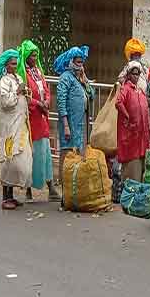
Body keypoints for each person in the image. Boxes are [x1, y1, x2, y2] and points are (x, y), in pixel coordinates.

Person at [17, 40, 59, 203]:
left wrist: (47, 101)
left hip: (42, 119)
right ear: (26, 57)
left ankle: (51, 187)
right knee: (32, 154)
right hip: (31, 120)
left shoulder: (38, 72)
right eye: (32, 55)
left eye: (36, 55)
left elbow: (46, 90)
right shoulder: (23, 74)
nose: (35, 58)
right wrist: (38, 104)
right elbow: (25, 97)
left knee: (45, 153)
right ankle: (28, 189)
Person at [0, 49, 32, 210]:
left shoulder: (18, 78)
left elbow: (23, 98)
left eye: (16, 63)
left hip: (21, 124)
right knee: (9, 158)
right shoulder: (4, 81)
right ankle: (5, 196)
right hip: (10, 126)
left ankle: (12, 194)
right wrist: (17, 92)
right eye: (12, 63)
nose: (15, 66)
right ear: (6, 65)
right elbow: (6, 102)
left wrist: (25, 93)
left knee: (20, 158)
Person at [54, 46, 93, 202]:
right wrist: (66, 125)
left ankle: (76, 192)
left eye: (82, 62)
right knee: (67, 157)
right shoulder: (65, 78)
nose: (80, 65)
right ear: (70, 62)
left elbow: (91, 95)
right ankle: (65, 193)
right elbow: (61, 102)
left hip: (81, 123)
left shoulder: (80, 78)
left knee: (79, 156)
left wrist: (86, 82)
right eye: (77, 62)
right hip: (69, 123)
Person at [115, 62, 150, 182]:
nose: (136, 76)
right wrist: (127, 116)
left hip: (141, 134)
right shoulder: (125, 89)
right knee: (132, 163)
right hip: (130, 134)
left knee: (141, 162)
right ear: (129, 75)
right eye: (134, 74)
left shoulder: (140, 91)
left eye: (138, 74)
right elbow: (119, 103)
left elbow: (146, 112)